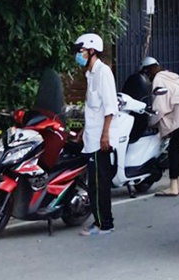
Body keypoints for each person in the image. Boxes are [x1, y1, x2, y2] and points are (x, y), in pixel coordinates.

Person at [74, 33, 119, 236]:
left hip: (101, 139)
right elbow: (93, 110)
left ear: (92, 51)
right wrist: (83, 131)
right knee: (93, 184)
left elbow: (110, 108)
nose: (79, 55)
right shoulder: (90, 74)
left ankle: (105, 224)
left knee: (99, 185)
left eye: (82, 51)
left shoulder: (103, 73)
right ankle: (100, 221)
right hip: (91, 137)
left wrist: (105, 135)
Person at [141, 58, 179, 196]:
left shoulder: (158, 81)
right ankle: (177, 185)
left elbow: (159, 108)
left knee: (173, 150)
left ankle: (173, 187)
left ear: (148, 70)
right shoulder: (167, 77)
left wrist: (150, 122)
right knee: (176, 150)